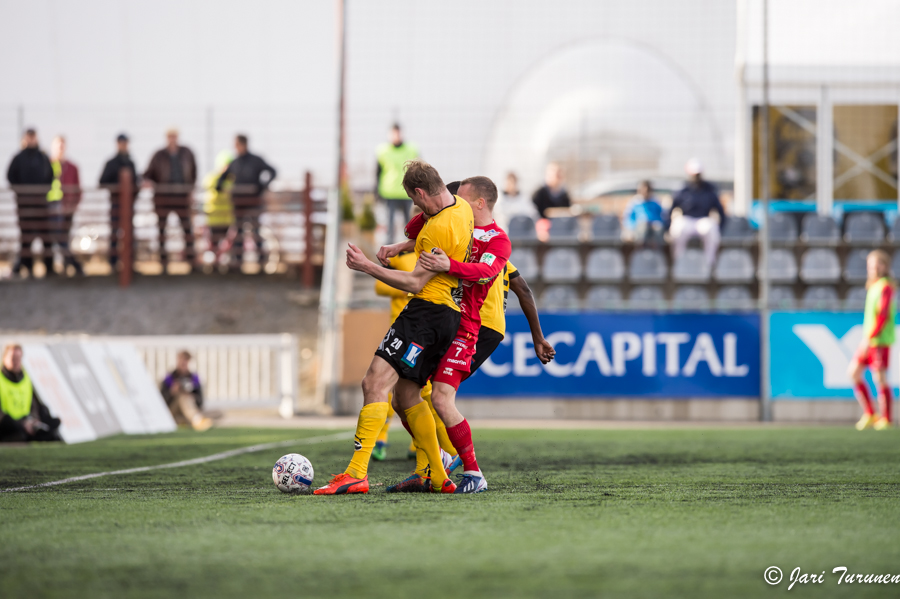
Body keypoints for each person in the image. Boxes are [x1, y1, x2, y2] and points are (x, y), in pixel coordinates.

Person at [314, 160, 472, 496]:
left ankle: (356, 473)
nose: (417, 209)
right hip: (447, 316)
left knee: (374, 382)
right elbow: (433, 238)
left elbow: (416, 282)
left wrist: (367, 266)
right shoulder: (462, 208)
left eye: (416, 202)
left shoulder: (435, 229)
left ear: (419, 192)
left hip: (424, 313)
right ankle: (437, 475)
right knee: (405, 395)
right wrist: (402, 246)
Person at [848, 250, 895, 431]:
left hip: (879, 340)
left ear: (885, 266)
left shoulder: (886, 286)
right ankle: (870, 413)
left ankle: (886, 419)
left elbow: (882, 316)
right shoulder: (873, 286)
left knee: (880, 378)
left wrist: (871, 337)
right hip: (868, 339)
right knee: (854, 373)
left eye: (878, 264)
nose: (874, 268)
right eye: (871, 265)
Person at [216, 134, 277, 267]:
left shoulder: (255, 160)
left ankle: (261, 262)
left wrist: (262, 186)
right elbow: (221, 180)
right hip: (238, 204)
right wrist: (222, 188)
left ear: (242, 144)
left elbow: (272, 171)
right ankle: (238, 263)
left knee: (255, 231)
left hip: (254, 202)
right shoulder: (234, 162)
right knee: (238, 233)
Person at [143, 129, 197, 270]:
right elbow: (148, 173)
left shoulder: (186, 153)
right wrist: (148, 181)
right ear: (166, 138)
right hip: (163, 198)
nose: (172, 139)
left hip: (182, 197)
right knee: (162, 230)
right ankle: (163, 261)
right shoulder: (159, 155)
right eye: (170, 136)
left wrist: (191, 191)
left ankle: (191, 260)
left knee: (187, 229)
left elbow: (193, 173)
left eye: (174, 136)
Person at [7, 128, 53, 276]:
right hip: (25, 205)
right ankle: (28, 267)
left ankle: (49, 268)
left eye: (33, 137)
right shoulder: (19, 158)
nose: (31, 139)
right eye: (29, 137)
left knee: (46, 237)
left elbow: (50, 176)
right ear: (25, 138)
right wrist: (21, 192)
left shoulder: (43, 157)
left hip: (41, 204)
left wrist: (44, 191)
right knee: (26, 238)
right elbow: (10, 176)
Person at [667, 159, 726, 266]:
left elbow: (720, 210)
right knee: (678, 228)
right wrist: (667, 227)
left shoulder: (709, 190)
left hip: (703, 219)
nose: (696, 177)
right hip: (687, 219)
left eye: (698, 174)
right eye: (694, 174)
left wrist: (721, 227)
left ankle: (710, 264)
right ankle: (678, 262)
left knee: (711, 228)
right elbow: (671, 208)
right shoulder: (682, 190)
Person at [0, 344, 61, 443]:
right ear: (4, 358)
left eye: (18, 359)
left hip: (27, 421)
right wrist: (22, 424)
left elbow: (34, 405)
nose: (16, 362)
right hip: (9, 424)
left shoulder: (26, 379)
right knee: (10, 424)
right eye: (13, 358)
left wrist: (33, 420)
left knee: (50, 419)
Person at [99, 133, 139, 270]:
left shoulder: (131, 163)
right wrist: (118, 188)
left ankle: (129, 263)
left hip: (129, 206)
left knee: (129, 233)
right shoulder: (111, 163)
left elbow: (136, 183)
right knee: (115, 233)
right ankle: (113, 262)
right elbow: (102, 182)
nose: (123, 145)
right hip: (116, 204)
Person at [47, 136, 84, 276]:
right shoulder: (48, 165)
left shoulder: (72, 167)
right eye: (58, 145)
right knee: (58, 238)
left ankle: (66, 265)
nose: (60, 148)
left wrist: (73, 205)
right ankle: (75, 265)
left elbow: (77, 188)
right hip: (53, 209)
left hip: (68, 209)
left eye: (62, 145)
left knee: (64, 239)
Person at [376, 124, 419, 243]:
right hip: (389, 193)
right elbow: (378, 172)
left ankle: (408, 251)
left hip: (407, 193)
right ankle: (388, 253)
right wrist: (377, 191)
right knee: (389, 225)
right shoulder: (383, 151)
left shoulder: (411, 149)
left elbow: (418, 170)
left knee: (410, 225)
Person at [160, 351, 212, 432]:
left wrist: (192, 396)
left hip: (190, 408)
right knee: (182, 397)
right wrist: (172, 392)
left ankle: (188, 420)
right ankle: (196, 420)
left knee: (186, 398)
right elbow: (161, 401)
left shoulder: (194, 378)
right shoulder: (169, 378)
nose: (183, 363)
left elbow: (200, 401)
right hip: (172, 409)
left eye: (186, 361)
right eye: (181, 360)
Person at [202, 150, 236, 267]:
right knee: (213, 244)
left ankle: (224, 264)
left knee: (227, 244)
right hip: (214, 218)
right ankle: (213, 265)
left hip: (227, 218)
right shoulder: (212, 178)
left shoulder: (232, 179)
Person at [623, 180, 664, 248]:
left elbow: (662, 217)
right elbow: (628, 219)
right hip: (639, 229)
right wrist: (630, 229)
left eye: (647, 190)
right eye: (643, 190)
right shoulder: (634, 202)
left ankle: (656, 252)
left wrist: (656, 223)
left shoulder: (656, 202)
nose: (645, 192)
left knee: (658, 228)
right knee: (643, 227)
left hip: (653, 229)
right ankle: (641, 251)